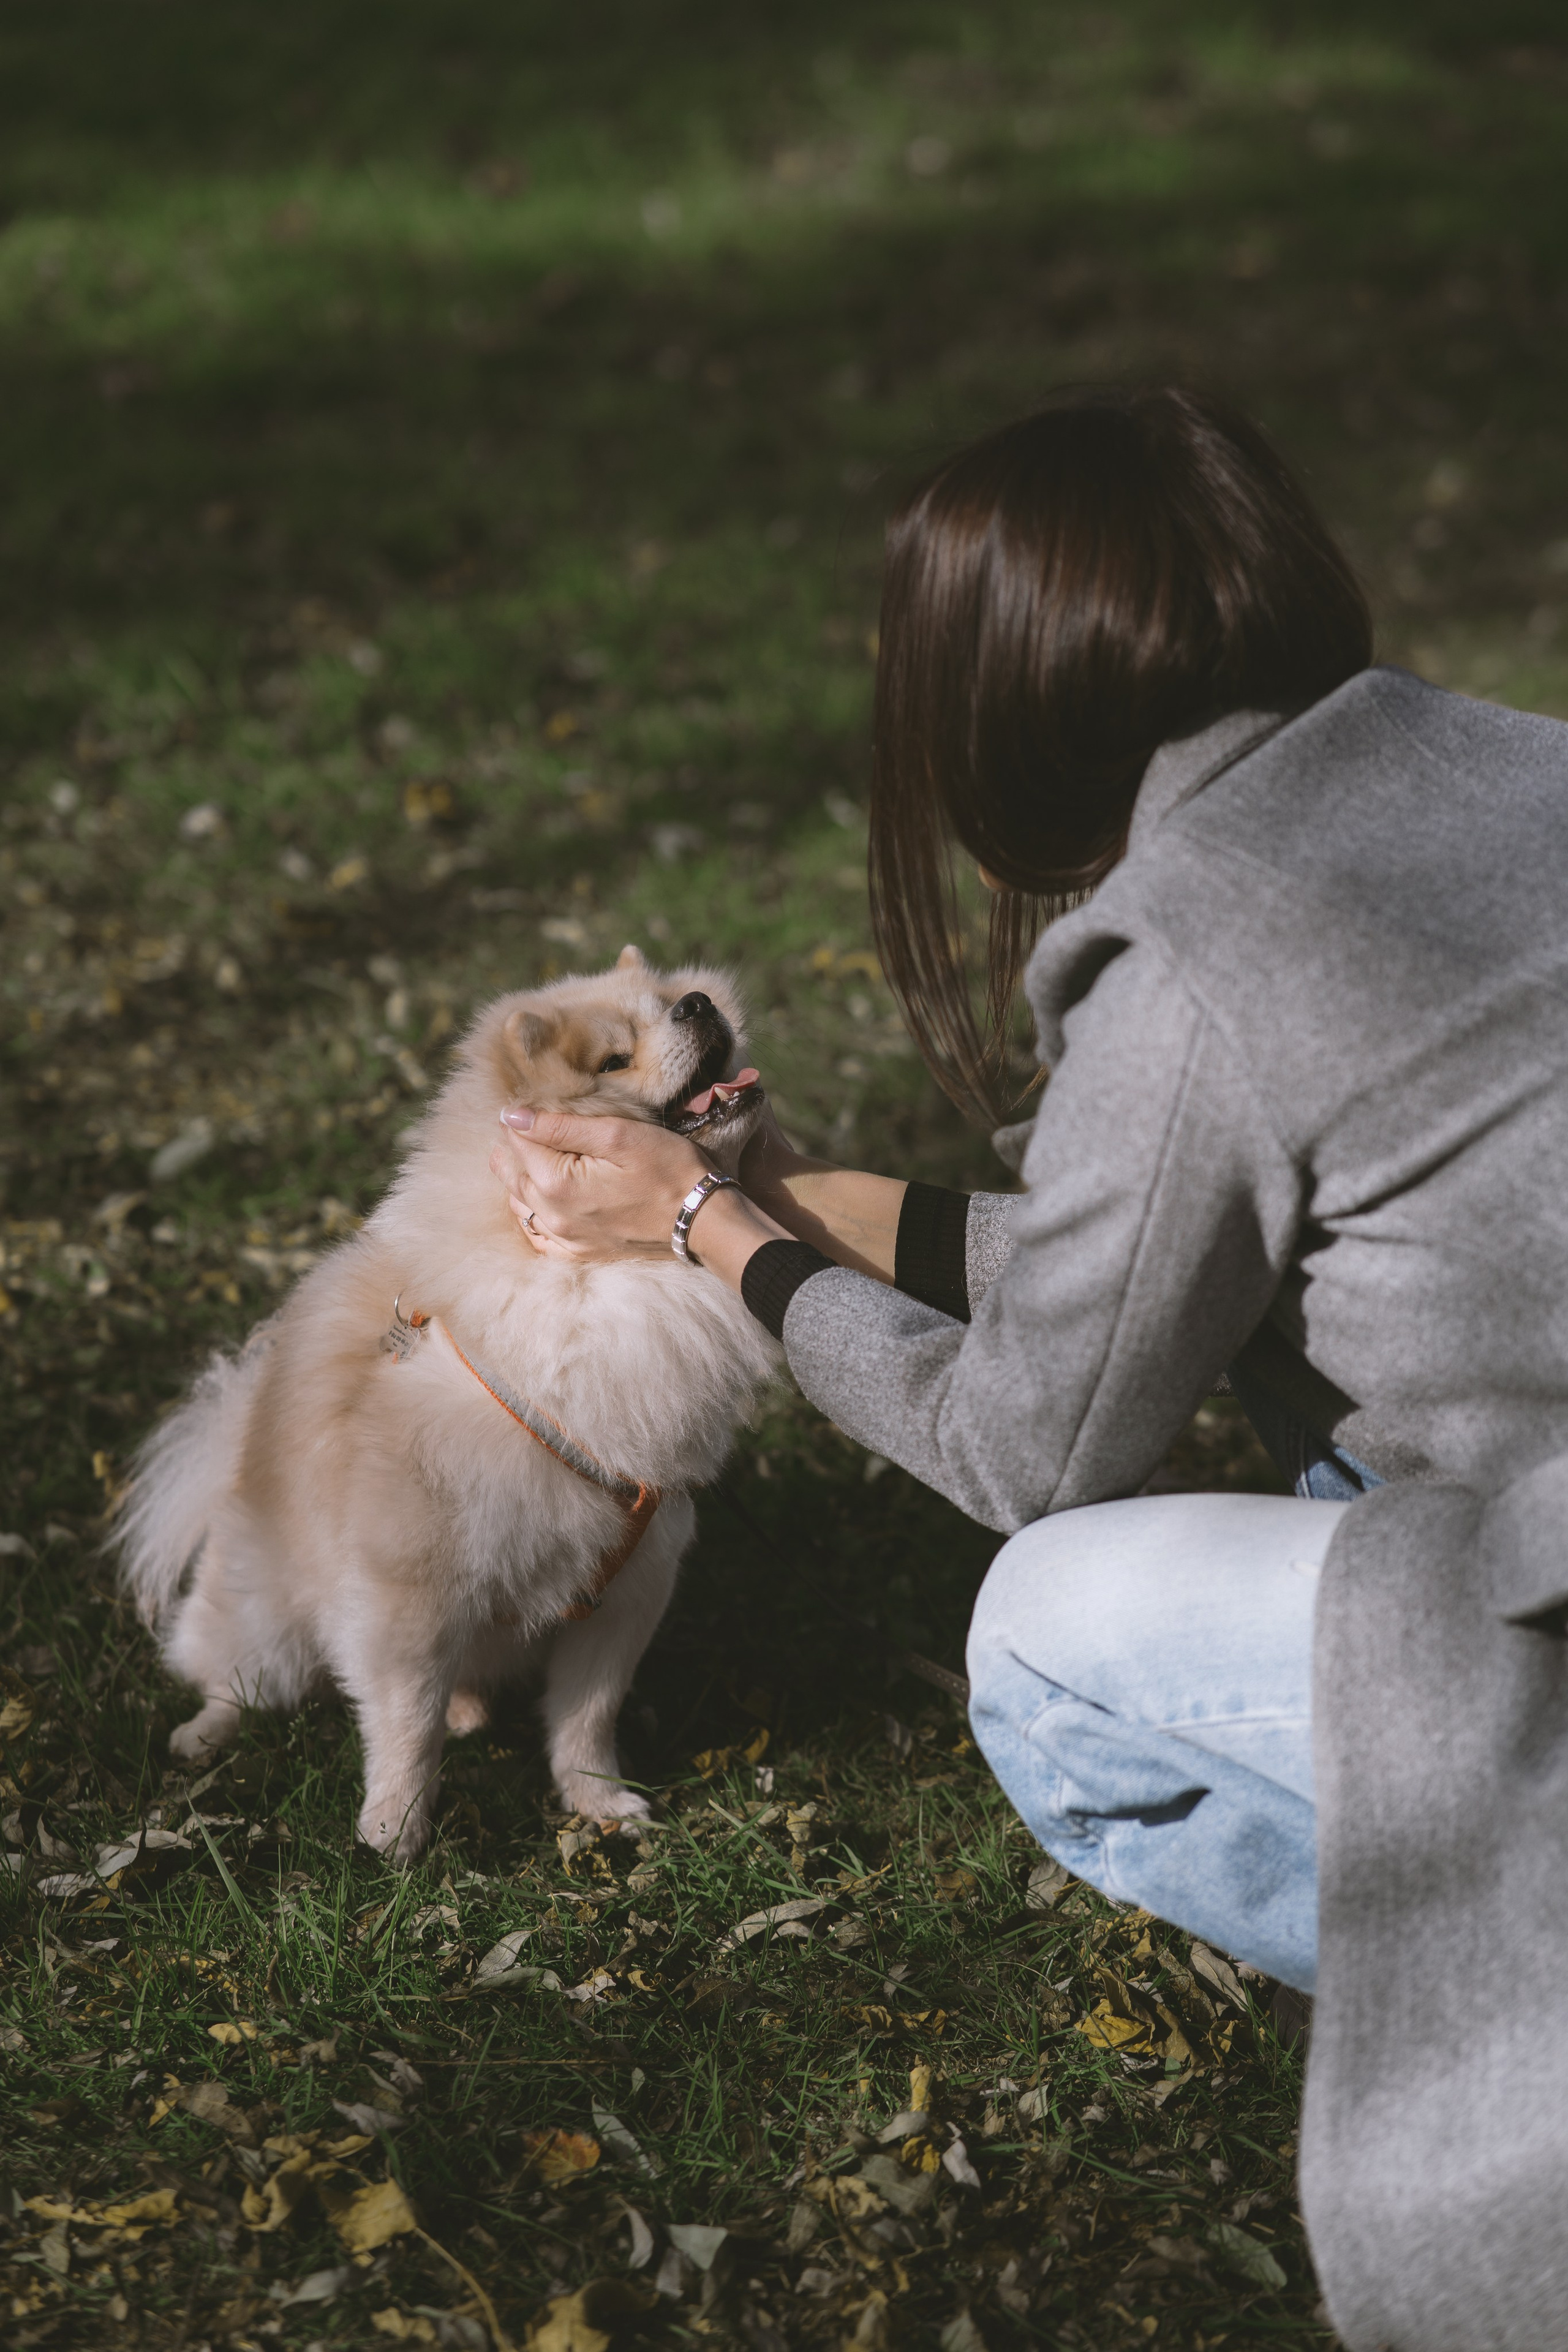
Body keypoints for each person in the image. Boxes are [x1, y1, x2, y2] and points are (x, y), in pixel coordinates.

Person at [494, 386, 1568, 2351]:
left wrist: (707, 1235)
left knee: (1050, 1638)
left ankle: (1504, 1998)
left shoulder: (1205, 953)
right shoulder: (1504, 761)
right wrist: (790, 1198)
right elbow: (1160, 1267)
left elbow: (1031, 1444)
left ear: (999, 700)